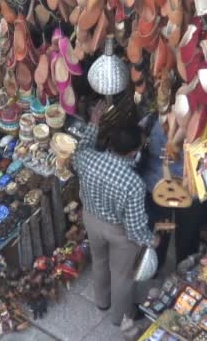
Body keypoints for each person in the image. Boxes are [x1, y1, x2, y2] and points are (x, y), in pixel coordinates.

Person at [73, 103, 160, 326]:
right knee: (122, 275)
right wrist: (150, 239)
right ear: (133, 152)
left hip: (91, 219)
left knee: (99, 261)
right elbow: (134, 226)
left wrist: (94, 121)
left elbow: (82, 146)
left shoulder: (86, 159)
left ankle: (102, 301)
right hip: (118, 232)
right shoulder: (133, 183)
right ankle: (119, 317)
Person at [141, 117, 207, 270]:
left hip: (158, 186)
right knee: (188, 231)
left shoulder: (155, 120)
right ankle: (184, 270)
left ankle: (154, 265)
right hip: (190, 190)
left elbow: (149, 146)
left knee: (160, 227)